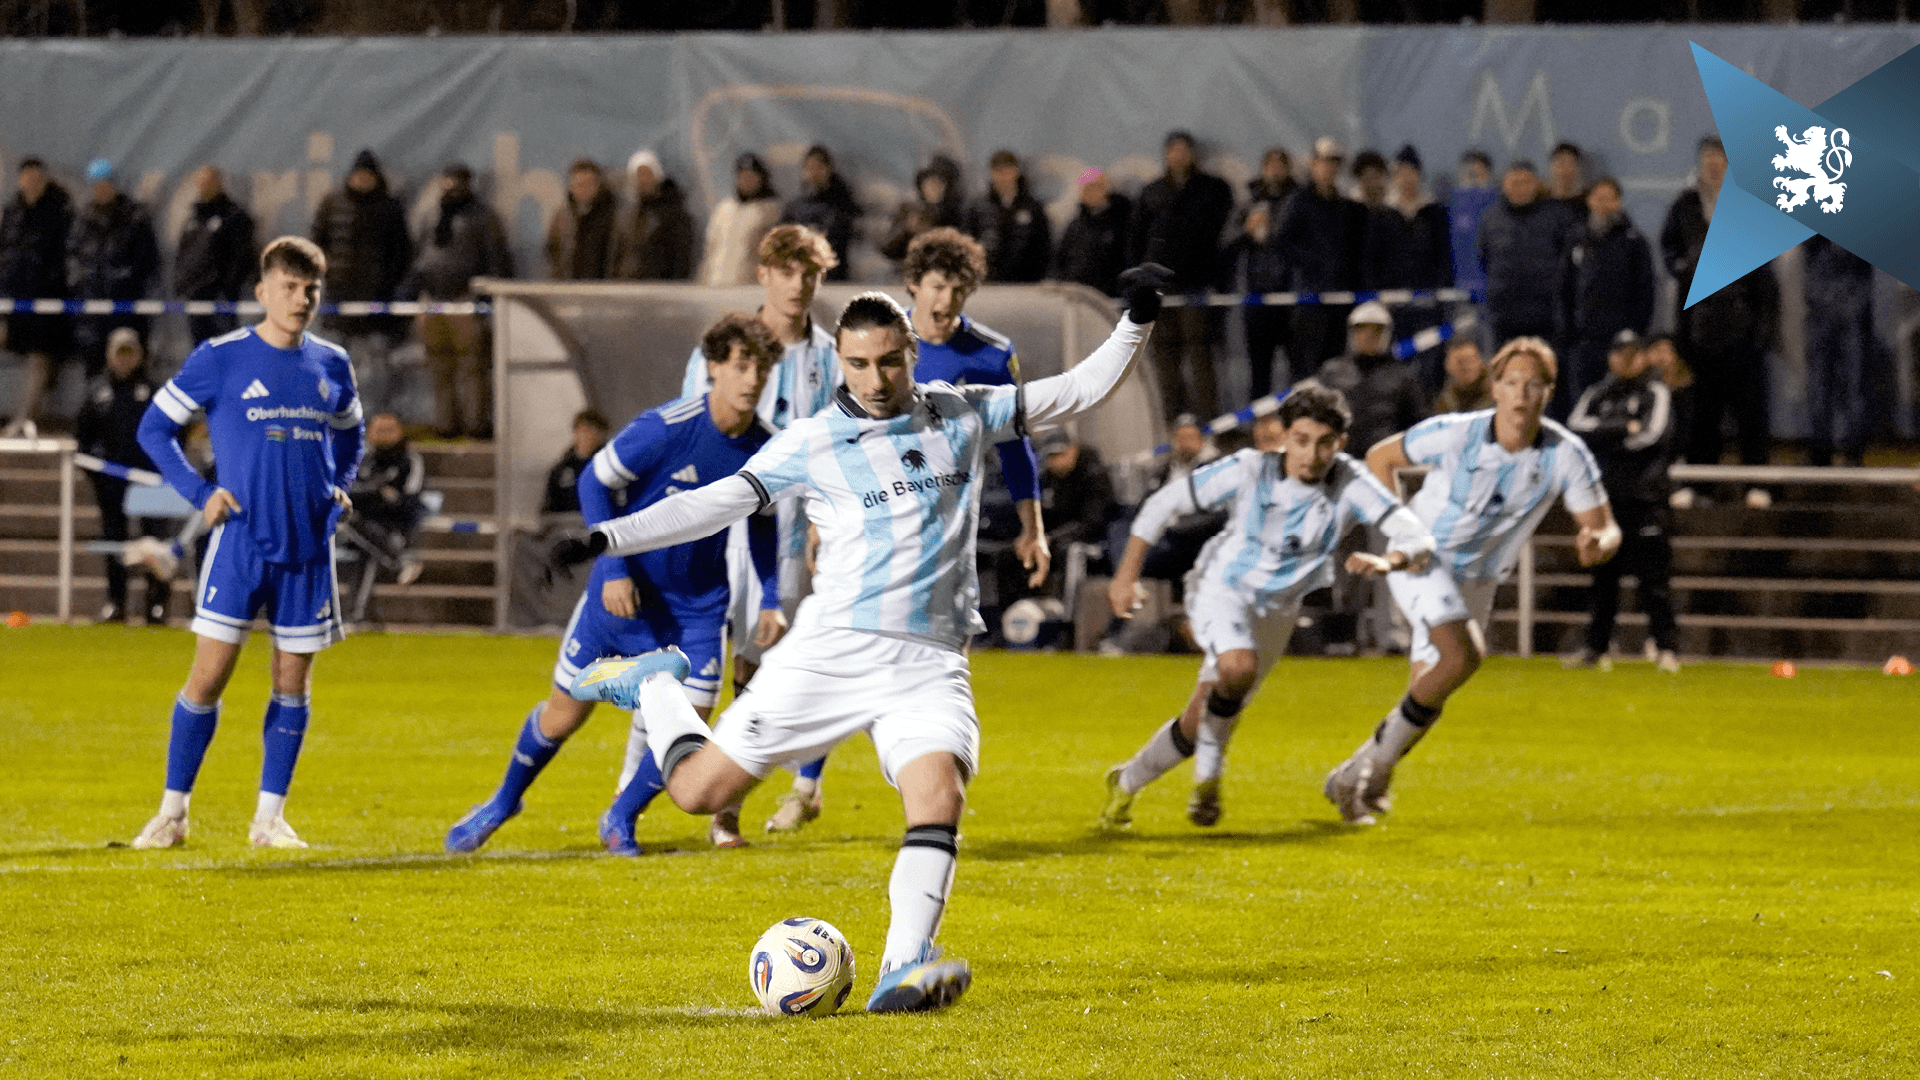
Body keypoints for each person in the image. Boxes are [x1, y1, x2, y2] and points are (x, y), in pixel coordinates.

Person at [558, 264, 1170, 1015]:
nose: (874, 378)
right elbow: (717, 503)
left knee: (938, 791)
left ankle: (901, 969)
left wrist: (1135, 317)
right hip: (832, 651)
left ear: (912, 351)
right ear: (839, 361)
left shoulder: (964, 411)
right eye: (857, 363)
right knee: (696, 793)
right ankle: (655, 682)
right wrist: (606, 536)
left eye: (889, 360)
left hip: (932, 657)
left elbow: (1077, 388)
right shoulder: (814, 440)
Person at [445, 313, 785, 857]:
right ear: (714, 368)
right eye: (741, 366)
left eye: (762, 369)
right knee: (563, 713)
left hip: (696, 608)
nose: (752, 379)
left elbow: (763, 523)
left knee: (691, 726)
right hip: (626, 597)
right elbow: (593, 481)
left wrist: (771, 595)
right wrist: (613, 570)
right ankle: (505, 800)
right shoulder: (666, 427)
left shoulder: (766, 448)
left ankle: (621, 816)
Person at [768, 226, 1052, 836]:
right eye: (936, 286)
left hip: (943, 532)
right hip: (867, 525)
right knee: (845, 652)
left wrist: (1034, 526)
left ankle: (932, 799)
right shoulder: (880, 343)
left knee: (941, 661)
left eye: (957, 288)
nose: (946, 300)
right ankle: (805, 785)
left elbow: (1018, 448)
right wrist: (824, 522)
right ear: (913, 286)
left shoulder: (993, 355)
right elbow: (835, 433)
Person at [1098, 380, 1434, 829]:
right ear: (1283, 436)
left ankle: (1125, 783)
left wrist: (1390, 559)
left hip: (1278, 612)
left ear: (1341, 443)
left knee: (1200, 720)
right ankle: (1207, 787)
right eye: (1300, 441)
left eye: (1324, 444)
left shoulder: (1351, 481)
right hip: (1221, 586)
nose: (1311, 455)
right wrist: (1126, 575)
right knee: (1237, 668)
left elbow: (1417, 535)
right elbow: (1163, 503)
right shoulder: (1249, 469)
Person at [127, 235, 364, 851]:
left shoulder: (333, 363)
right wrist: (197, 490)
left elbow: (351, 436)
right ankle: (173, 813)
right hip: (239, 546)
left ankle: (269, 818)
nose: (301, 298)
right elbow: (154, 428)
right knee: (208, 677)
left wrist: (339, 485)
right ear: (263, 292)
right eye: (288, 287)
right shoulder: (221, 357)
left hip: (308, 549)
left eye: (311, 288)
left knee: (293, 682)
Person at [1324, 336, 1619, 825]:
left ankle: (1356, 776)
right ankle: (1363, 778)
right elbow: (1380, 457)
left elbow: (1604, 524)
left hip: (1478, 581)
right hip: (1424, 561)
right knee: (1462, 656)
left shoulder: (1566, 454)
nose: (1522, 393)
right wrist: (1400, 531)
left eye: (1534, 384)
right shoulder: (1456, 433)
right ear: (1495, 389)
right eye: (1512, 383)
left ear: (1549, 392)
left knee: (1431, 688)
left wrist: (1598, 541)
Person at [674, 223, 841, 846]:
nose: (798, 285)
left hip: (794, 532)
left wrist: (829, 522)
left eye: (810, 273)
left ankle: (732, 804)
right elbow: (695, 427)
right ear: (763, 274)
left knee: (767, 665)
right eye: (787, 271)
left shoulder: (831, 355)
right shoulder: (720, 349)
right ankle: (638, 791)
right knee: (693, 662)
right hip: (722, 524)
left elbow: (839, 443)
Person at [1660, 136, 1777, 507]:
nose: (1714, 164)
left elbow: (1766, 280)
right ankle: (1699, 486)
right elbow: (1669, 249)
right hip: (1699, 330)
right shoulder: (1685, 206)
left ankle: (1758, 485)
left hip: (1742, 333)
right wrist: (1681, 271)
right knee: (1700, 415)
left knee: (1751, 417)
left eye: (1721, 158)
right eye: (1708, 158)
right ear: (1699, 164)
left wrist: (1761, 332)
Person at [1567, 331, 1680, 672]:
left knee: (1654, 581)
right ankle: (1595, 648)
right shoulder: (1596, 392)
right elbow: (1577, 430)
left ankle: (1665, 648)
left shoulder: (1656, 392)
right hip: (1605, 502)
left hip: (1645, 499)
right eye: (1619, 353)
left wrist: (1606, 438)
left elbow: (1651, 435)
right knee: (1602, 580)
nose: (1625, 360)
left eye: (1633, 353)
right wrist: (1622, 429)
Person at [1128, 131, 1233, 420]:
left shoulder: (1212, 189)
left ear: (1193, 154)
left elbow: (1217, 235)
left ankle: (1208, 424)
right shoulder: (1151, 192)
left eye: (1183, 149)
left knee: (1200, 356)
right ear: (1165, 154)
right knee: (1165, 359)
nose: (1178, 155)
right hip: (1158, 289)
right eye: (1172, 150)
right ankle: (1172, 424)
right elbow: (1136, 239)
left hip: (1196, 286)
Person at [404, 163, 514, 440]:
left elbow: (496, 257)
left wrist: (487, 298)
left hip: (465, 300)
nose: (449, 186)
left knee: (472, 367)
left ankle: (476, 424)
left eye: (455, 181)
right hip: (432, 300)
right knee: (439, 367)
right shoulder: (431, 216)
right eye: (446, 180)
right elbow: (419, 258)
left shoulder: (482, 217)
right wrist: (414, 292)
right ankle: (445, 424)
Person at [76, 326, 172, 624]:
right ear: (109, 354)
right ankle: (116, 601)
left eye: (131, 351)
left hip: (150, 479)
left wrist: (164, 468)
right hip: (112, 482)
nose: (125, 359)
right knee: (115, 541)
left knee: (154, 542)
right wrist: (97, 471)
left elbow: (172, 433)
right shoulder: (97, 392)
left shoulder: (155, 392)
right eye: (120, 352)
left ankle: (156, 604)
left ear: (140, 355)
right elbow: (83, 438)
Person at [310, 149, 412, 415]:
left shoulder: (389, 208)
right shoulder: (332, 204)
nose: (361, 180)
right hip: (339, 298)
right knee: (334, 361)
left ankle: (378, 416)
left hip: (378, 301)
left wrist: (386, 284)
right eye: (357, 175)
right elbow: (316, 243)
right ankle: (334, 413)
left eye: (367, 175)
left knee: (379, 363)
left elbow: (401, 252)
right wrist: (330, 273)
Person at [1555, 177, 1654, 420]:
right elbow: (1564, 289)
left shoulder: (1634, 241)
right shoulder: (1575, 239)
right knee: (1582, 404)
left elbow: (1645, 291)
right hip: (1584, 341)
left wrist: (1634, 332)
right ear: (1589, 201)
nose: (1604, 204)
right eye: (1599, 198)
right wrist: (1568, 331)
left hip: (1620, 341)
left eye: (1610, 198)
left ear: (1619, 202)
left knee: (1620, 404)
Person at [1277, 137, 1365, 375]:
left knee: (1335, 365)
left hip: (1339, 300)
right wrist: (1312, 264)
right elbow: (1282, 243)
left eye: (1333, 162)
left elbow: (1352, 252)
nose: (1328, 168)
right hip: (1308, 301)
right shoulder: (1298, 202)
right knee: (1306, 368)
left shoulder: (1345, 207)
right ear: (1313, 164)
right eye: (1323, 161)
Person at [0, 157, 73, 437]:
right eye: (25, 177)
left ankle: (22, 421)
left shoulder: (59, 211)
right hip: (14, 304)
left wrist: (49, 286)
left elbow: (65, 259)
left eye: (35, 177)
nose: (30, 182)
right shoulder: (13, 212)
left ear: (43, 179)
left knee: (39, 361)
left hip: (46, 307)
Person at [69, 159, 160, 378]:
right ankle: (96, 409)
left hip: (125, 305)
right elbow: (74, 256)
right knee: (93, 361)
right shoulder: (83, 218)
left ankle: (132, 407)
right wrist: (81, 284)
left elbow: (147, 259)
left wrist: (124, 278)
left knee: (129, 362)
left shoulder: (134, 216)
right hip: (92, 306)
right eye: (97, 185)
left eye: (106, 183)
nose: (101, 189)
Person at [1477, 160, 1577, 353]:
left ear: (1536, 184)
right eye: (1514, 182)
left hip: (1546, 317)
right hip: (1504, 316)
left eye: (1526, 182)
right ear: (1504, 185)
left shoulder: (1558, 215)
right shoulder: (1491, 218)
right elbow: (1484, 258)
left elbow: (1569, 263)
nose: (1520, 188)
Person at [1314, 301, 1427, 459]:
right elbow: (1317, 419)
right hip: (1340, 458)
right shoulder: (1332, 372)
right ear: (1351, 332)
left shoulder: (1403, 376)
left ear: (1386, 334)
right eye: (1362, 328)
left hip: (1386, 460)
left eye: (1376, 330)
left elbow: (1417, 424)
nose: (1368, 335)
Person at [1225, 149, 1295, 401]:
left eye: (1280, 164)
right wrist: (1246, 230)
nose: (1275, 170)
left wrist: (1281, 232)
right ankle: (1259, 421)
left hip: (1292, 296)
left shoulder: (1298, 200)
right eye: (1270, 165)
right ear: (1263, 168)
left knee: (1297, 368)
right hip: (1256, 295)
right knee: (1259, 368)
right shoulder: (1249, 202)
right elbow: (1226, 243)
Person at [340, 411, 427, 612]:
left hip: (395, 526)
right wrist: (378, 493)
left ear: (399, 432)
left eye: (389, 430)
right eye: (379, 430)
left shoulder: (410, 461)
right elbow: (350, 495)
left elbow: (406, 501)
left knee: (367, 549)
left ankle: (355, 614)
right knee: (350, 520)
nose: (383, 435)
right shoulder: (363, 461)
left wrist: (375, 495)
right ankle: (401, 560)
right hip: (359, 526)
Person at [1802, 235, 1877, 467]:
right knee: (1819, 385)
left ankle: (1853, 451)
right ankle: (1821, 450)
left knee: (1854, 385)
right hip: (1820, 311)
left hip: (1854, 311)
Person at [173, 166, 256, 346]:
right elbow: (183, 254)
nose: (204, 187)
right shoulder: (193, 218)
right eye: (201, 183)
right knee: (201, 351)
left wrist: (226, 288)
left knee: (225, 348)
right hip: (195, 297)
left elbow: (241, 257)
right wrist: (183, 284)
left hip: (221, 299)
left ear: (219, 184)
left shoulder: (233, 216)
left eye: (209, 182)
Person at [965, 149, 1051, 284]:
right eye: (998, 172)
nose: (1003, 177)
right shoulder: (978, 208)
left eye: (1007, 171)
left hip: (1026, 285)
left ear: (1016, 172)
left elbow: (1044, 248)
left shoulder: (1033, 208)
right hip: (989, 284)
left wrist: (1037, 278)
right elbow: (968, 244)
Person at [697, 152, 782, 287]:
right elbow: (710, 248)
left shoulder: (770, 211)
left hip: (748, 287)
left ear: (761, 178)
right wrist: (703, 279)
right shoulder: (724, 209)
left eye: (751, 176)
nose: (746, 181)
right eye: (742, 176)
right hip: (716, 283)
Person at [613, 149, 696, 281]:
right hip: (628, 288)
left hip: (660, 289)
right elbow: (618, 254)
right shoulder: (626, 213)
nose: (643, 180)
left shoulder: (675, 212)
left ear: (657, 175)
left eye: (647, 174)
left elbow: (681, 259)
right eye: (638, 175)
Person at [780, 145, 859, 282]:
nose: (814, 173)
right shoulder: (795, 207)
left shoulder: (841, 204)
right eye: (810, 168)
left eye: (819, 168)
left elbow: (837, 240)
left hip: (831, 279)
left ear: (829, 170)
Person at [1051, 167, 1132, 298]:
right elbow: (1060, 260)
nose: (1092, 192)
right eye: (1088, 188)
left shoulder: (1121, 223)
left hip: (1110, 299)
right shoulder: (1074, 226)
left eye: (1097, 187)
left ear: (1106, 189)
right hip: (1077, 298)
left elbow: (1128, 261)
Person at [545, 159, 619, 281]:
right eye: (578, 184)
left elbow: (616, 257)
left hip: (601, 290)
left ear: (598, 185)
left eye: (588, 184)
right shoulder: (563, 217)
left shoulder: (612, 216)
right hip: (568, 288)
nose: (583, 189)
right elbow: (552, 251)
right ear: (571, 186)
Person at [880, 156, 964, 264]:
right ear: (921, 186)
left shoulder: (956, 214)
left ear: (947, 187)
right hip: (911, 271)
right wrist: (906, 231)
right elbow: (888, 250)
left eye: (938, 184)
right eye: (929, 183)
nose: (933, 189)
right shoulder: (909, 210)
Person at [1447, 148, 1498, 299]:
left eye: (1478, 173)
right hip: (1458, 287)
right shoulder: (1451, 204)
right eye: (1468, 173)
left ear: (1488, 174)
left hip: (1492, 288)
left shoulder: (1498, 204)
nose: (1473, 178)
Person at [542, 409, 610, 515]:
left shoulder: (609, 466)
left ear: (600, 436)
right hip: (567, 527)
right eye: (583, 430)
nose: (586, 436)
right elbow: (548, 509)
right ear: (575, 433)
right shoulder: (560, 470)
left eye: (592, 431)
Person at [1431, 338, 1491, 414]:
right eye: (1460, 362)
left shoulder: (1499, 383)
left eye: (1471, 360)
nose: (1468, 367)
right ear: (1448, 367)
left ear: (1480, 360)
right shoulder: (1444, 405)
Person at [1547, 142, 1588, 216]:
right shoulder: (1541, 200)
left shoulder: (1587, 202)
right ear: (1551, 166)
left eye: (1569, 164)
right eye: (1560, 163)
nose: (1564, 169)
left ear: (1577, 168)